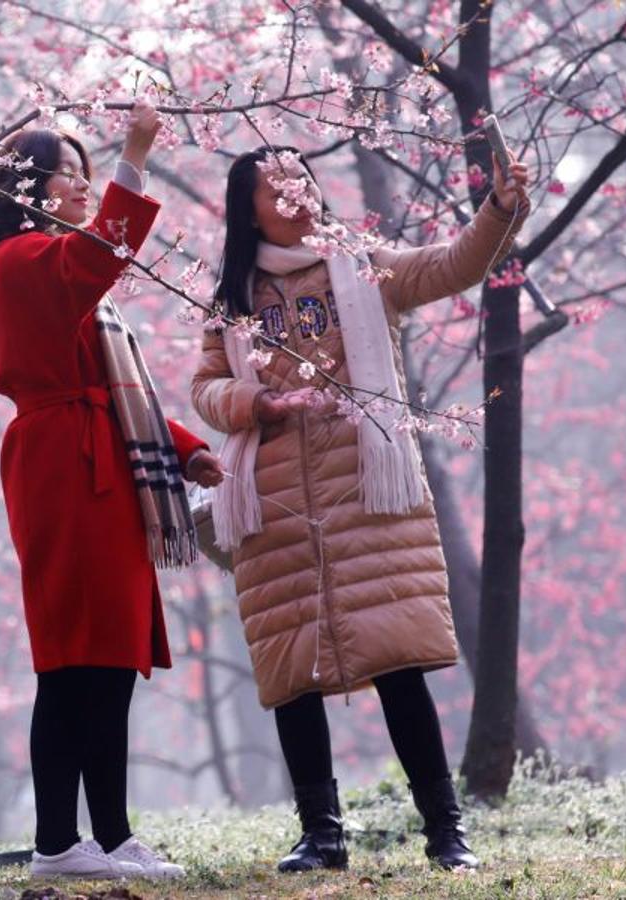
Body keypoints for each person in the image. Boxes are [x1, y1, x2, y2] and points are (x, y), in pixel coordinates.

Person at [192, 143, 531, 872]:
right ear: (247, 211)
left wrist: (500, 210)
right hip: (274, 504)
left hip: (367, 493)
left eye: (301, 178)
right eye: (276, 186)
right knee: (292, 674)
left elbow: (452, 265)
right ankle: (321, 836)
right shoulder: (231, 301)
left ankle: (446, 831)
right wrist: (256, 401)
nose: (295, 192)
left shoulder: (362, 265)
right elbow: (205, 389)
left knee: (399, 663)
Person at [0, 98, 225, 880]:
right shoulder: (21, 258)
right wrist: (134, 159)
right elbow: (99, 257)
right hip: (62, 466)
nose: (83, 186)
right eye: (68, 174)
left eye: (88, 174)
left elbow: (117, 390)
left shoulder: (59, 268)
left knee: (110, 658)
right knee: (71, 659)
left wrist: (183, 450)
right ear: (26, 187)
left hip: (102, 466)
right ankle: (57, 842)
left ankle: (112, 839)